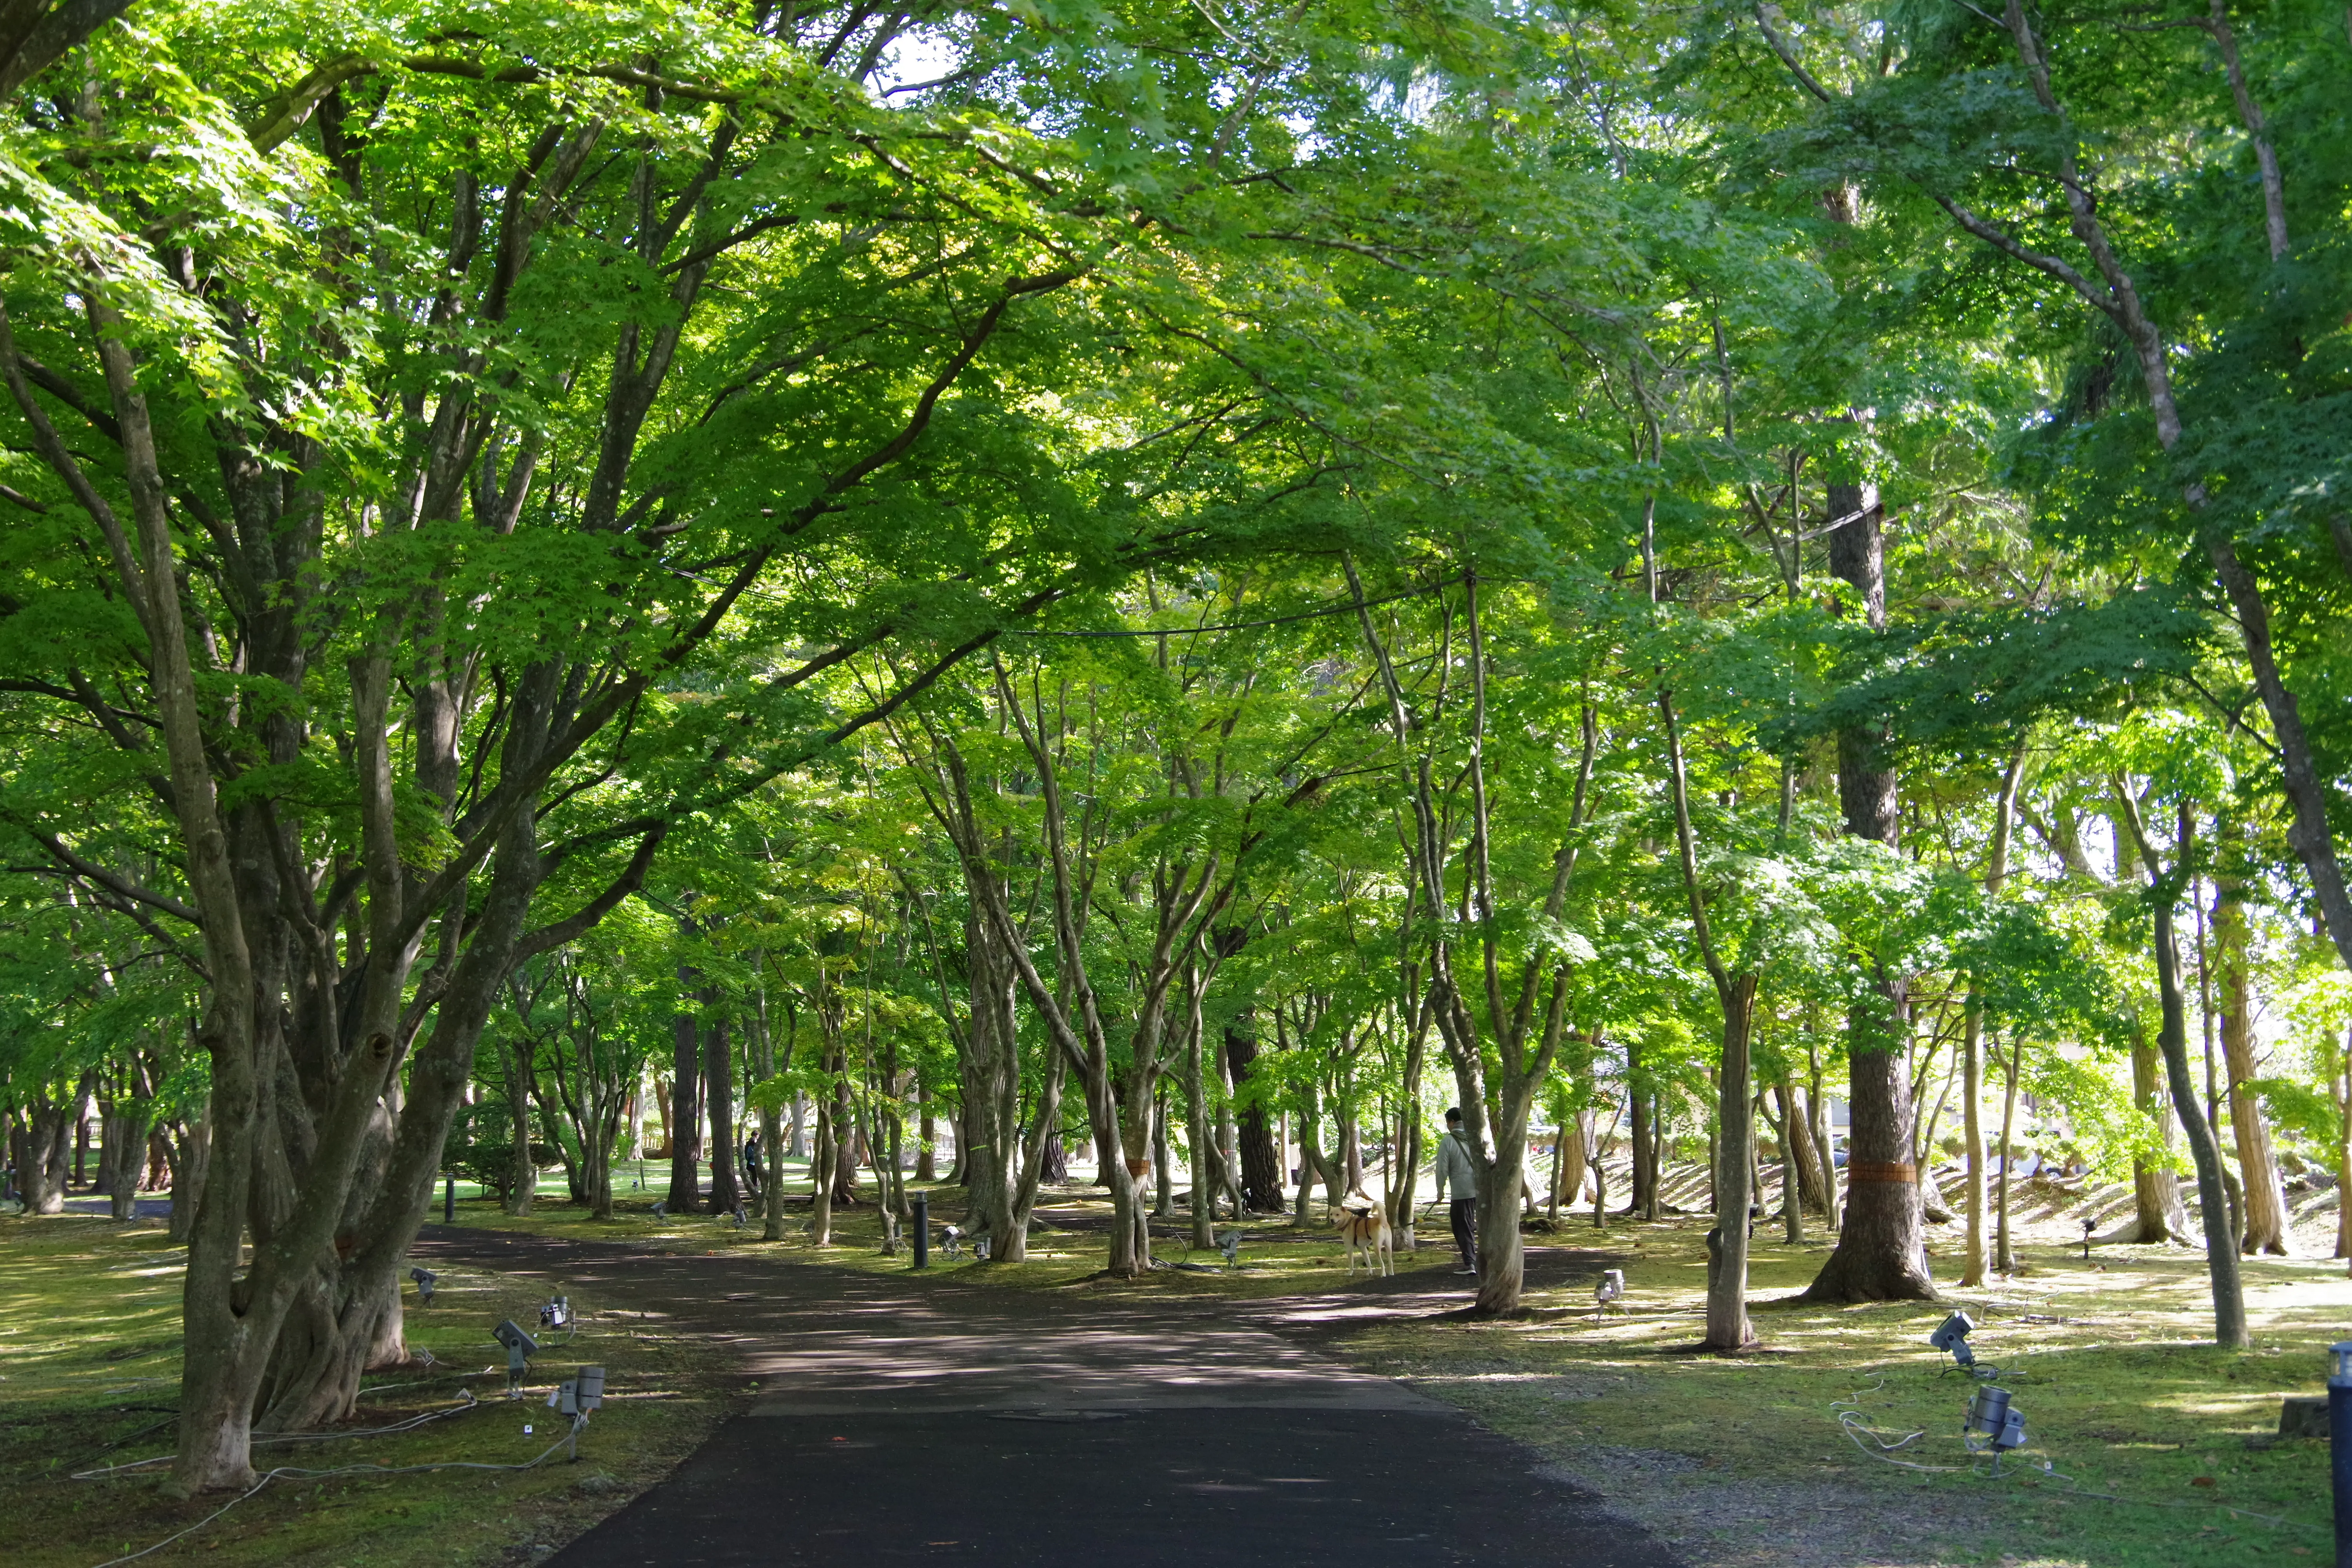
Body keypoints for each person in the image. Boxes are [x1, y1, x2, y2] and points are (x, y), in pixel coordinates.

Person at [1434, 1107, 1479, 1277]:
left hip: (1462, 1191)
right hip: (1481, 1190)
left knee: (1462, 1226)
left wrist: (1440, 1191)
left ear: (1452, 1122)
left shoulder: (1449, 1141)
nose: (1448, 1126)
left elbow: (1442, 1169)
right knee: (1475, 1225)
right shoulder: (1476, 1137)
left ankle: (1470, 1264)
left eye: (1448, 1123)